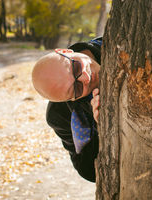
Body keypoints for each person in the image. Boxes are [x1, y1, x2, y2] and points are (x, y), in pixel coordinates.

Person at [32, 38, 101, 182]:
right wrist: (101, 128)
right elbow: (89, 171)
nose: (86, 78)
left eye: (76, 67)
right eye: (77, 88)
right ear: (70, 100)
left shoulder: (116, 37)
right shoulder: (61, 115)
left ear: (65, 52)